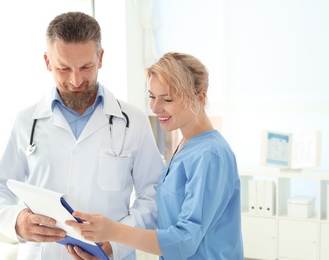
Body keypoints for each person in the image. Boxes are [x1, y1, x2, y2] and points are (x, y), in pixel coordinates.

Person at [0, 11, 165, 260]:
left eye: (86, 67)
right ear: (47, 62)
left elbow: (153, 195)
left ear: (100, 58)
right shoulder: (26, 122)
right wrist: (17, 221)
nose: (76, 80)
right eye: (64, 68)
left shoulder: (133, 122)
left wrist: (115, 240)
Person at [67, 52, 244, 260]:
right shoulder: (185, 146)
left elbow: (185, 240)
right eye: (151, 96)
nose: (155, 108)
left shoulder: (210, 155)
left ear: (200, 97)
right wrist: (113, 245)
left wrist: (114, 231)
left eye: (167, 99)